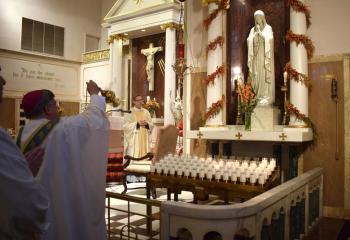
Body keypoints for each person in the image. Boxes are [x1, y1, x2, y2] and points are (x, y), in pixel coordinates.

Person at [16, 80, 109, 240]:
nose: (58, 109)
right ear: (47, 109)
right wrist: (94, 94)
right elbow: (93, 120)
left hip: (33, 209)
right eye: (55, 105)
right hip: (58, 207)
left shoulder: (20, 135)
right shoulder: (61, 129)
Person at [0, 69, 49, 239]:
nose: (4, 81)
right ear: (47, 108)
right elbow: (26, 203)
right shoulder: (57, 130)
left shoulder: (20, 132)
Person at [247, 10, 275, 105]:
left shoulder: (268, 28)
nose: (257, 20)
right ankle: (258, 96)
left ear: (263, 18)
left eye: (259, 17)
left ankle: (265, 96)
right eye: (256, 18)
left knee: (263, 74)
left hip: (264, 57)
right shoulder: (252, 30)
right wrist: (254, 36)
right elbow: (249, 40)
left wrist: (262, 35)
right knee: (256, 75)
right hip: (256, 56)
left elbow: (270, 40)